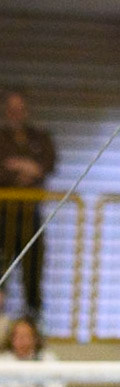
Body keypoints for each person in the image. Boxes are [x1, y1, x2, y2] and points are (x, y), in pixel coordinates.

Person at [0, 92, 55, 320]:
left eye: (20, 108)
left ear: (26, 111)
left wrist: (20, 167)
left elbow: (47, 163)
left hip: (31, 214)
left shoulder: (39, 136)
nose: (16, 113)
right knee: (2, 268)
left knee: (33, 269)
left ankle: (33, 320)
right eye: (12, 108)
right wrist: (25, 170)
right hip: (2, 216)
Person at [1, 314, 66, 387]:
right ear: (11, 339)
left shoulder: (47, 359)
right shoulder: (3, 361)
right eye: (18, 336)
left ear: (35, 338)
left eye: (26, 336)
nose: (22, 341)